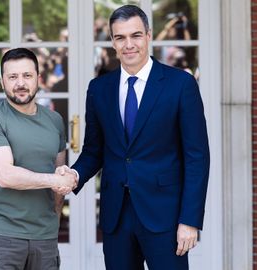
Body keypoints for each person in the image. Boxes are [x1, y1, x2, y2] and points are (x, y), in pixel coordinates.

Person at [57, 5, 210, 270]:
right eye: (120, 37)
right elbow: (95, 151)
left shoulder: (180, 84)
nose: (129, 44)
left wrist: (190, 220)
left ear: (148, 36)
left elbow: (197, 157)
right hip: (116, 216)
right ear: (113, 42)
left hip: (165, 216)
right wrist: (75, 175)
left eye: (135, 35)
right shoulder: (99, 88)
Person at [0, 48, 77, 270]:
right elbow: (5, 175)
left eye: (27, 76)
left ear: (38, 79)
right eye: (13, 77)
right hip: (2, 237)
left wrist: (54, 221)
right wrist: (55, 180)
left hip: (45, 238)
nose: (20, 83)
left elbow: (58, 172)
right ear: (3, 82)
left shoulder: (54, 121)